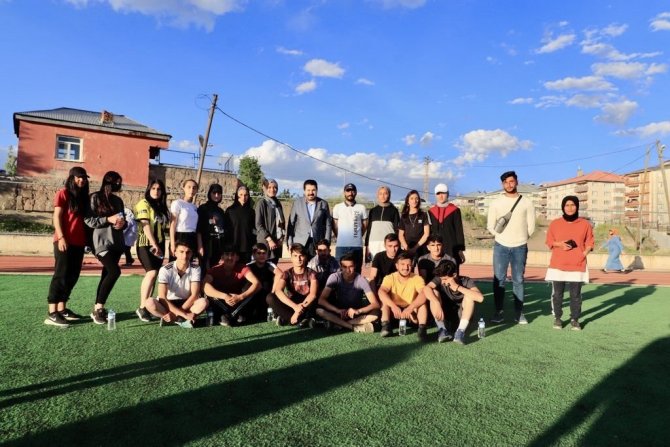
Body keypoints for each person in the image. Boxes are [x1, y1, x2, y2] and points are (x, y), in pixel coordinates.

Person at [487, 170, 536, 325]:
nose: (509, 185)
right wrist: (500, 237)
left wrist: (522, 238)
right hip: (500, 246)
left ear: (516, 182)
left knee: (518, 280)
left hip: (520, 247)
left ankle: (519, 313)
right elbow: (490, 225)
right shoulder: (496, 202)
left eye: (511, 181)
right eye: (506, 182)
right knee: (499, 280)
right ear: (502, 184)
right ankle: (498, 312)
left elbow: (531, 226)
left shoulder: (526, 202)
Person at [45, 166, 90, 327]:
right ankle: (52, 312)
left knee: (73, 276)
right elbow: (56, 217)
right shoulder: (63, 193)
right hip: (64, 241)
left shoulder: (83, 197)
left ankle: (62, 309)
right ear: (72, 178)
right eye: (79, 177)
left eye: (84, 178)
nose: (82, 180)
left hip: (79, 242)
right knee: (61, 275)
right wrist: (61, 237)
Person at [545, 196, 594, 331]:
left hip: (577, 264)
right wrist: (559, 244)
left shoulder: (585, 224)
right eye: (567, 205)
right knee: (557, 295)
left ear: (577, 206)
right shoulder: (555, 223)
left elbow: (590, 242)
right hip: (558, 264)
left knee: (575, 295)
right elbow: (549, 241)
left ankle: (575, 319)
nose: (570, 208)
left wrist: (583, 254)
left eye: (573, 205)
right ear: (563, 207)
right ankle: (557, 318)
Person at [85, 170, 127, 325]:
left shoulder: (118, 200)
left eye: (120, 182)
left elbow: (123, 221)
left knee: (106, 275)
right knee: (115, 271)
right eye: (116, 181)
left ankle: (98, 308)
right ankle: (99, 308)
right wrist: (108, 219)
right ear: (108, 181)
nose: (118, 184)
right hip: (101, 242)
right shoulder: (95, 197)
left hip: (117, 242)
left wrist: (122, 224)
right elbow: (89, 220)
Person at [145, 242, 208, 329]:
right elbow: (162, 297)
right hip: (168, 303)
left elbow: (194, 295)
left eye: (188, 252)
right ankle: (183, 319)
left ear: (192, 254)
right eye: (181, 252)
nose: (185, 256)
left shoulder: (196, 268)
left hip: (187, 303)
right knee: (149, 302)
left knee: (204, 302)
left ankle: (172, 318)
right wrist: (184, 314)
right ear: (175, 253)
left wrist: (178, 313)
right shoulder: (165, 269)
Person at [134, 178, 170, 322]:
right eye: (153, 188)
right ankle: (142, 307)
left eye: (159, 189)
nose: (156, 191)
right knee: (151, 273)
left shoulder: (161, 207)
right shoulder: (143, 203)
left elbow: (165, 227)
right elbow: (145, 225)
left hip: (160, 244)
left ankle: (147, 306)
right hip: (146, 244)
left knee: (154, 275)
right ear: (149, 189)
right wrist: (154, 243)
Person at [424, 259, 484, 344]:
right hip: (444, 317)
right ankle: (442, 330)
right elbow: (426, 288)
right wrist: (436, 303)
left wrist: (458, 287)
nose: (442, 282)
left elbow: (480, 298)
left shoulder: (466, 281)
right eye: (441, 279)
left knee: (469, 296)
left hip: (462, 317)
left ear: (454, 275)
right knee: (433, 292)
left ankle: (460, 332)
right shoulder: (441, 278)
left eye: (445, 279)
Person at [316, 253, 380, 332]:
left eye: (351, 267)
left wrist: (358, 311)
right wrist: (337, 310)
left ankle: (339, 324)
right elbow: (321, 300)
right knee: (319, 311)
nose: (348, 270)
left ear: (355, 266)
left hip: (355, 314)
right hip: (339, 312)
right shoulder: (334, 277)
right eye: (344, 267)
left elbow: (375, 304)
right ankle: (353, 327)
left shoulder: (361, 280)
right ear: (340, 266)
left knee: (376, 314)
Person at [203, 247, 261, 326]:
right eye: (227, 254)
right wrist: (225, 296)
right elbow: (204, 286)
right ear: (222, 257)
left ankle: (233, 315)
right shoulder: (214, 269)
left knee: (251, 287)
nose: (230, 257)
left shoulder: (243, 268)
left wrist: (240, 297)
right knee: (209, 290)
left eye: (232, 255)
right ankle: (229, 315)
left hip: (237, 300)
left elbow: (257, 284)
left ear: (237, 257)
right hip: (222, 301)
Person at [377, 252, 428, 340]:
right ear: (397, 266)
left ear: (412, 265)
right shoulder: (390, 277)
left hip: (410, 310)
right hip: (395, 310)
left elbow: (424, 294)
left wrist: (410, 308)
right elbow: (381, 291)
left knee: (422, 304)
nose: (406, 267)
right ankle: (386, 326)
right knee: (384, 302)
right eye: (402, 264)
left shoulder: (417, 278)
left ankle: (422, 329)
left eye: (409, 265)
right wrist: (393, 306)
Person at [267, 243, 318, 326]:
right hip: (292, 304)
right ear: (291, 257)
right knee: (270, 297)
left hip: (306, 303)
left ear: (305, 257)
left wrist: (298, 311)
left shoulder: (312, 273)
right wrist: (295, 307)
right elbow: (278, 291)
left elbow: (312, 295)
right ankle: (298, 320)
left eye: (301, 256)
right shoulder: (287, 273)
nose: (298, 259)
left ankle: (290, 319)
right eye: (295, 256)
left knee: (315, 301)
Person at [286, 179, 332, 260]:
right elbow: (291, 224)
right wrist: (290, 243)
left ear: (317, 190)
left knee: (317, 266)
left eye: (313, 190)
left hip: (317, 243)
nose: (311, 192)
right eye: (308, 190)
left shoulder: (323, 204)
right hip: (300, 242)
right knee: (300, 265)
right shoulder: (297, 203)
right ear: (304, 190)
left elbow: (328, 225)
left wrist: (327, 243)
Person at [332, 183, 368, 273]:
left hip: (357, 246)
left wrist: (357, 236)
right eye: (348, 191)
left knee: (356, 272)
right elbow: (335, 225)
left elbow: (364, 225)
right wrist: (340, 236)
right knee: (339, 272)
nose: (350, 193)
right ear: (344, 192)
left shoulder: (361, 208)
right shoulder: (337, 207)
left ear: (356, 192)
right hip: (341, 246)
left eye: (352, 191)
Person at [429, 183, 465, 269]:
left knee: (452, 271)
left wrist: (460, 249)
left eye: (443, 193)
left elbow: (459, 230)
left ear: (447, 194)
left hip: (452, 248)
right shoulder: (431, 212)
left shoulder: (455, 210)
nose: (441, 196)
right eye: (438, 194)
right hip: (436, 248)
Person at [245, 243, 282, 321]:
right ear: (253, 255)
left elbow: (280, 274)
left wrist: (273, 291)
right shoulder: (249, 266)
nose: (262, 255)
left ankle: (275, 312)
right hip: (254, 295)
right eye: (259, 253)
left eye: (264, 253)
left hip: (267, 295)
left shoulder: (269, 264)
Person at [169, 178, 202, 264]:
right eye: (189, 187)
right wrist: (172, 243)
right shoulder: (177, 203)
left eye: (194, 188)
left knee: (188, 265)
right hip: (180, 236)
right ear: (183, 188)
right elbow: (172, 224)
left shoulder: (194, 207)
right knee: (176, 265)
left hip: (192, 237)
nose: (191, 190)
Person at [255, 178, 285, 263]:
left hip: (277, 243)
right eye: (269, 187)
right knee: (264, 267)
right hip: (266, 243)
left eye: (275, 187)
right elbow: (258, 225)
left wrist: (281, 238)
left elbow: (281, 222)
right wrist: (269, 240)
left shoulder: (278, 203)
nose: (272, 189)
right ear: (265, 188)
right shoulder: (261, 203)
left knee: (274, 267)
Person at [365, 186, 400, 260]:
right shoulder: (373, 210)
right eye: (380, 194)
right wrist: (367, 245)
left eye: (385, 193)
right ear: (377, 195)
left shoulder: (394, 210)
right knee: (375, 264)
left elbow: (397, 228)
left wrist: (397, 243)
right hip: (373, 242)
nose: (383, 196)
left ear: (389, 195)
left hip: (389, 242)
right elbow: (369, 229)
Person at [197, 184, 226, 270]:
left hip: (217, 246)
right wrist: (200, 246)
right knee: (205, 271)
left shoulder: (221, 211)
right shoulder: (203, 208)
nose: (216, 195)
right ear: (210, 193)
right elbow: (199, 229)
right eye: (214, 193)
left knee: (216, 271)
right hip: (206, 245)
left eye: (219, 193)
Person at [224, 185, 255, 264]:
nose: (243, 197)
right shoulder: (230, 210)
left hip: (247, 248)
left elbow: (253, 229)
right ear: (237, 196)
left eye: (246, 195)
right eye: (241, 195)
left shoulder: (251, 212)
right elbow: (226, 229)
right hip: (233, 248)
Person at [398, 189, 430, 261]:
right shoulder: (404, 216)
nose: (414, 200)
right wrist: (407, 248)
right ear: (408, 201)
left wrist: (415, 248)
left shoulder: (423, 215)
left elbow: (426, 234)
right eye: (412, 198)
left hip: (422, 247)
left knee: (422, 267)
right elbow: (400, 235)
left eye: (416, 198)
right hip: (408, 248)